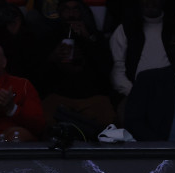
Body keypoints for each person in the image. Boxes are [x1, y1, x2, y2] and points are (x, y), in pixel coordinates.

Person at [38, 0, 116, 132]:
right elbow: (37, 73)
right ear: (60, 13)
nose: (71, 14)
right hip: (58, 96)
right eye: (66, 10)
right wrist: (53, 57)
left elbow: (106, 68)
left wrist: (89, 39)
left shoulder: (93, 35)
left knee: (108, 119)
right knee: (43, 119)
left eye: (75, 9)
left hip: (91, 97)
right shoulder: (49, 37)